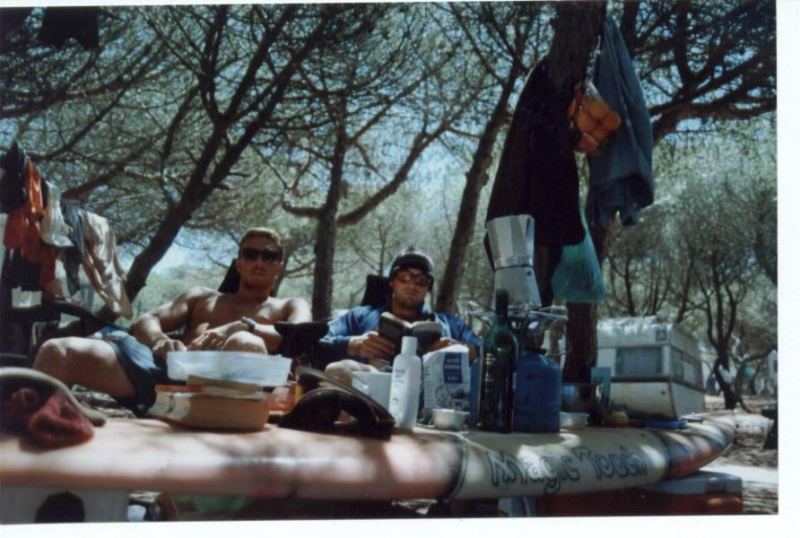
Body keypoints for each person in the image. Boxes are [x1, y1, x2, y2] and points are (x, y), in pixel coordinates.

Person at [33, 227, 311, 416]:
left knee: (243, 343)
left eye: (269, 255)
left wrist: (242, 326)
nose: (259, 261)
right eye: (251, 254)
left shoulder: (289, 305)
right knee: (58, 351)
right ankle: (28, 460)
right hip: (167, 381)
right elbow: (146, 320)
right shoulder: (202, 298)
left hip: (237, 398)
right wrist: (160, 341)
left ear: (279, 266)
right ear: (238, 263)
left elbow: (300, 336)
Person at [321, 246, 481, 381]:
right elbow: (317, 339)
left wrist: (462, 350)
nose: (412, 285)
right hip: (374, 387)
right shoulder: (360, 316)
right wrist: (353, 346)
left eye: (421, 280)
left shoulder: (451, 324)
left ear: (428, 287)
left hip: (430, 394)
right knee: (338, 370)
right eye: (404, 277)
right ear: (392, 281)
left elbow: (490, 350)